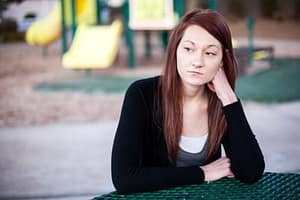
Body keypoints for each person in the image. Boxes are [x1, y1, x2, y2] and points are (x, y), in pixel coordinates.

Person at [111, 8, 265, 194]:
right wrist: (203, 173)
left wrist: (229, 98)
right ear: (175, 50)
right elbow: (125, 178)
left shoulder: (221, 103)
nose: (197, 61)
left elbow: (251, 171)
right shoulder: (142, 94)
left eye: (210, 53)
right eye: (188, 49)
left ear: (222, 61)